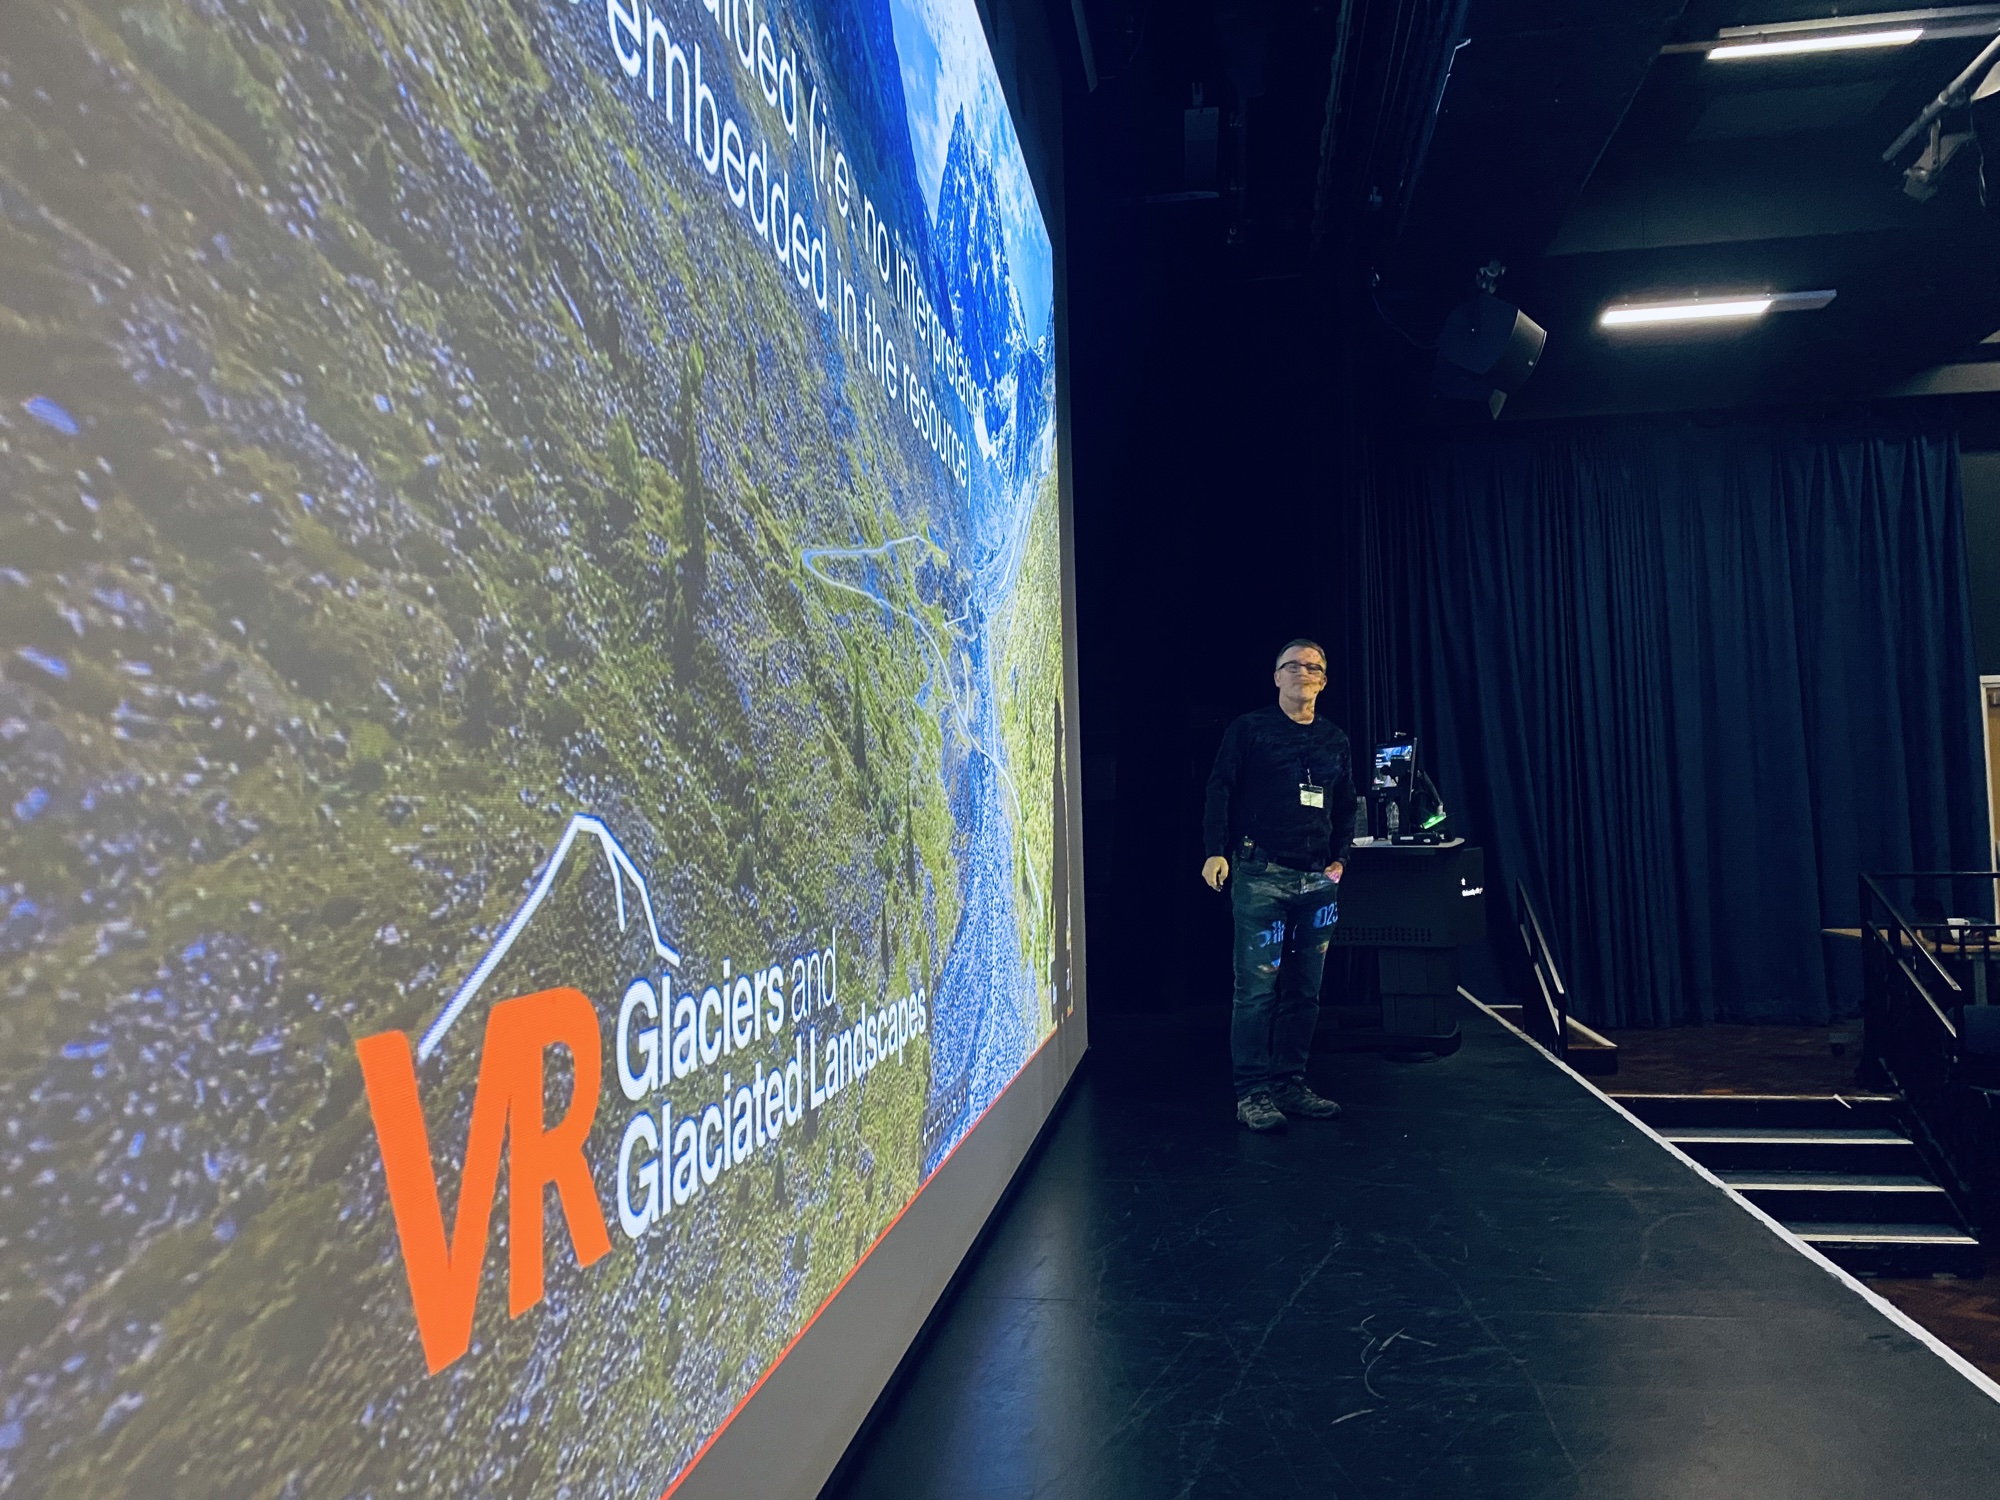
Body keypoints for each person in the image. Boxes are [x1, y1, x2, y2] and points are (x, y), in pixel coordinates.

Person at [1201, 639, 1356, 1133]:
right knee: (1256, 992)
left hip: (1318, 881)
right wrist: (1214, 849)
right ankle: (1252, 1093)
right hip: (1261, 874)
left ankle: (1290, 1084)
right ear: (1276, 677)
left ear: (1323, 681)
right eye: (1292, 666)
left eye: (1313, 667)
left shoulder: (1335, 739)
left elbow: (1346, 803)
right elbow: (1220, 788)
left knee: (1305, 991)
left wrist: (1341, 859)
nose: (1302, 673)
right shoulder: (1250, 730)